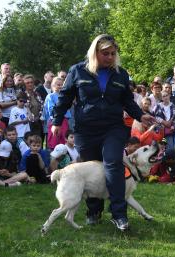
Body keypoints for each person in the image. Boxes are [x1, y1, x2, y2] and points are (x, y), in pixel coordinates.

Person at [51, 34, 155, 231]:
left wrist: (140, 116)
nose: (110, 57)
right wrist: (57, 120)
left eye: (113, 54)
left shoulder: (121, 74)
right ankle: (94, 211)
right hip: (86, 130)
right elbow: (64, 97)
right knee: (91, 170)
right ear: (95, 52)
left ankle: (119, 215)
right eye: (105, 53)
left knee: (113, 162)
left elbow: (127, 101)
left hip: (113, 128)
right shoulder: (78, 71)